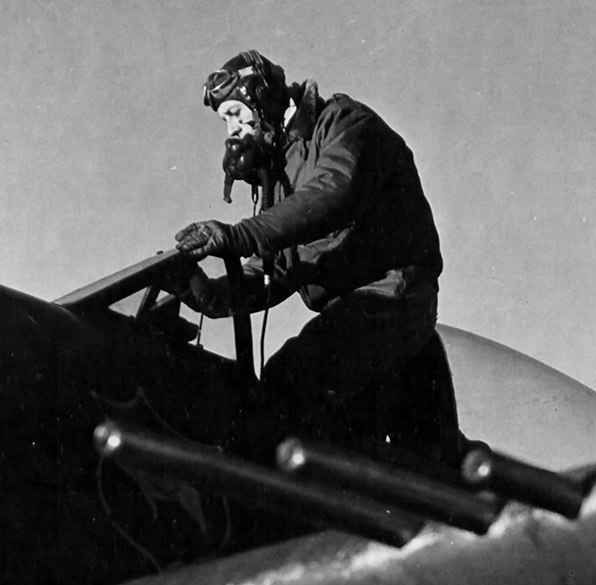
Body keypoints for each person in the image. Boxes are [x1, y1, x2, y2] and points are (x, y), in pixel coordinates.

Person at [166, 51, 453, 460]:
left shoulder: (343, 123)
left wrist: (240, 235)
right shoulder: (282, 176)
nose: (233, 130)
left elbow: (332, 193)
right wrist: (208, 295)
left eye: (234, 113)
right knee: (412, 455)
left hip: (392, 296)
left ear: (261, 98)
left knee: (289, 382)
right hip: (355, 315)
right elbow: (276, 269)